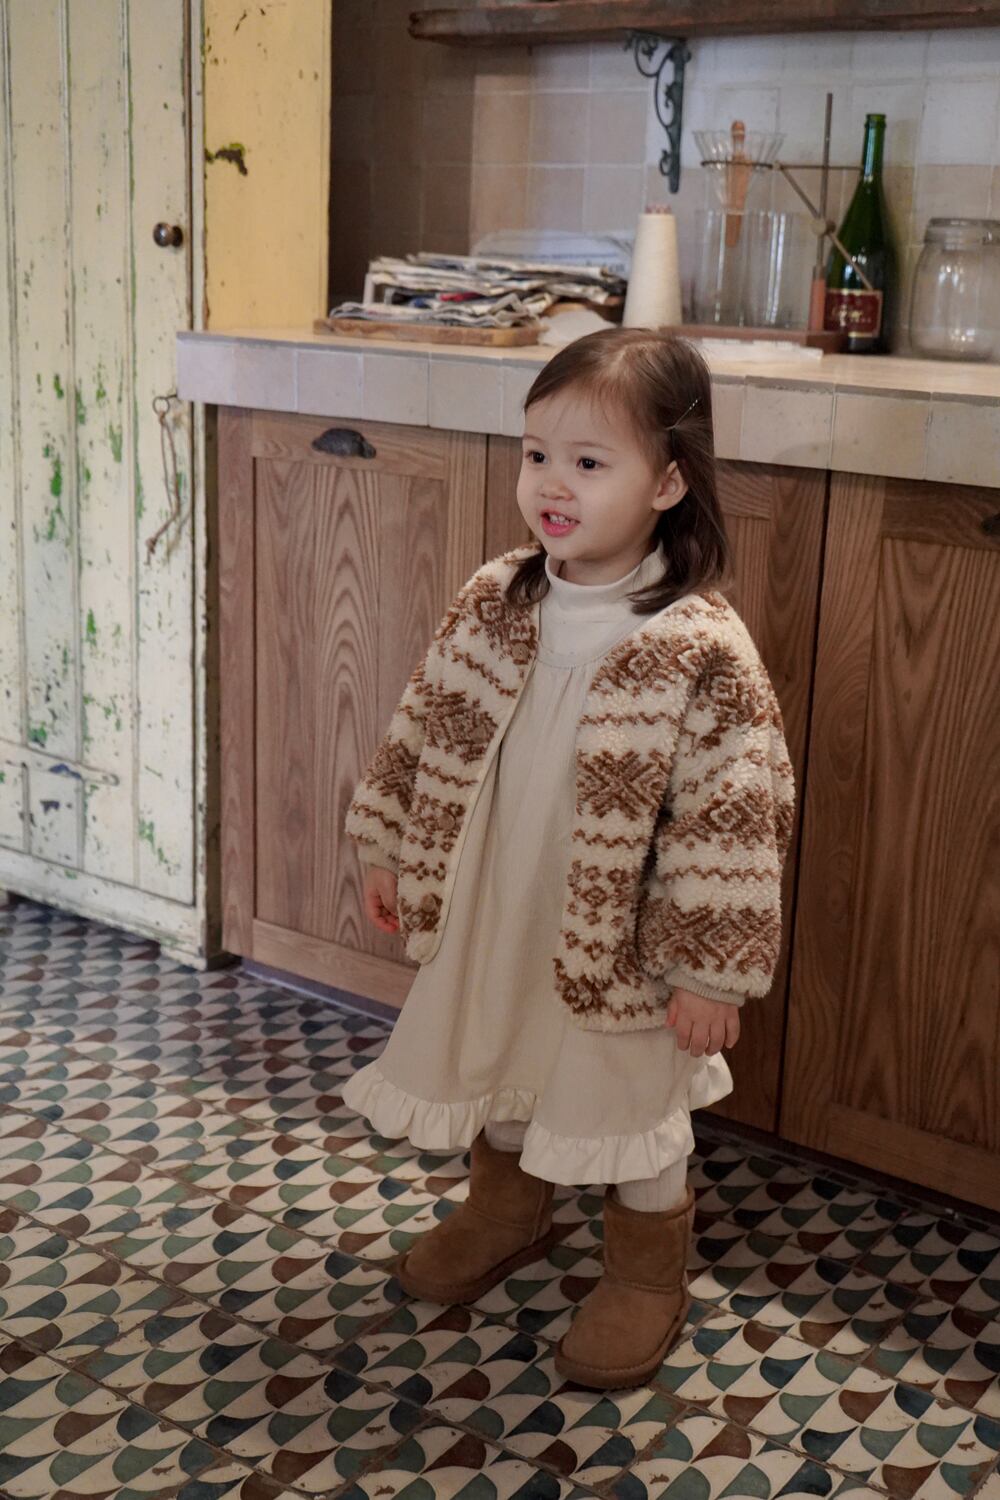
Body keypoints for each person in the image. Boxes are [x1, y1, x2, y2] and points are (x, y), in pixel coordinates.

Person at [341, 327, 796, 1391]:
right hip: (499, 900)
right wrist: (386, 839)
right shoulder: (495, 597)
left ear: (667, 483)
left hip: (618, 939)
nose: (552, 483)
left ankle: (644, 1269)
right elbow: (423, 724)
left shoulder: (699, 648)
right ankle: (506, 1207)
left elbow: (733, 820)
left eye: (589, 462)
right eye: (537, 453)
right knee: (499, 1036)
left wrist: (710, 971)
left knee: (628, 1092)